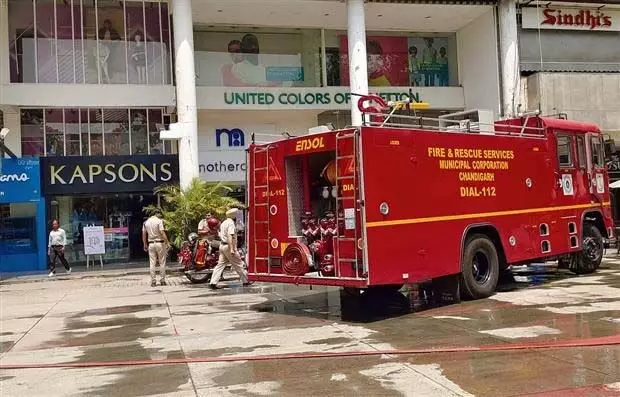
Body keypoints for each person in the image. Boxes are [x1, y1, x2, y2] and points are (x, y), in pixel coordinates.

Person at [209, 208, 251, 290]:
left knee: (220, 265)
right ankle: (246, 281)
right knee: (238, 263)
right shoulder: (231, 223)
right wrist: (232, 249)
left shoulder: (224, 222)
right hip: (228, 246)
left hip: (222, 246)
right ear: (233, 216)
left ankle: (213, 282)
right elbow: (230, 236)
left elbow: (221, 234)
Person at [142, 209, 170, 287]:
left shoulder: (145, 223)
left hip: (151, 244)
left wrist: (145, 244)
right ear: (156, 214)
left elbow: (144, 234)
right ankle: (162, 280)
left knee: (152, 263)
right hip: (160, 243)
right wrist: (167, 242)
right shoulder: (159, 221)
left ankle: (153, 281)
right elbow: (162, 232)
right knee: (162, 262)